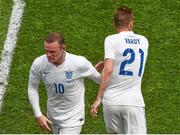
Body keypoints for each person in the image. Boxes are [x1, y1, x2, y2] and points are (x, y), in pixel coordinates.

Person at [90, 6, 149, 134]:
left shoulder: (111, 40)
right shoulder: (144, 41)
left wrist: (98, 98)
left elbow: (108, 70)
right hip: (133, 102)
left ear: (114, 23)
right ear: (130, 23)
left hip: (111, 103)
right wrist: (107, 64)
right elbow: (128, 60)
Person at [28, 32, 101, 134]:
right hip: (53, 116)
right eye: (46, 51)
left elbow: (100, 80)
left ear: (63, 48)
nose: (49, 55)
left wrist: (99, 98)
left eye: (53, 51)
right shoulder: (39, 64)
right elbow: (32, 88)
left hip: (73, 117)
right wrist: (38, 114)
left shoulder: (79, 63)